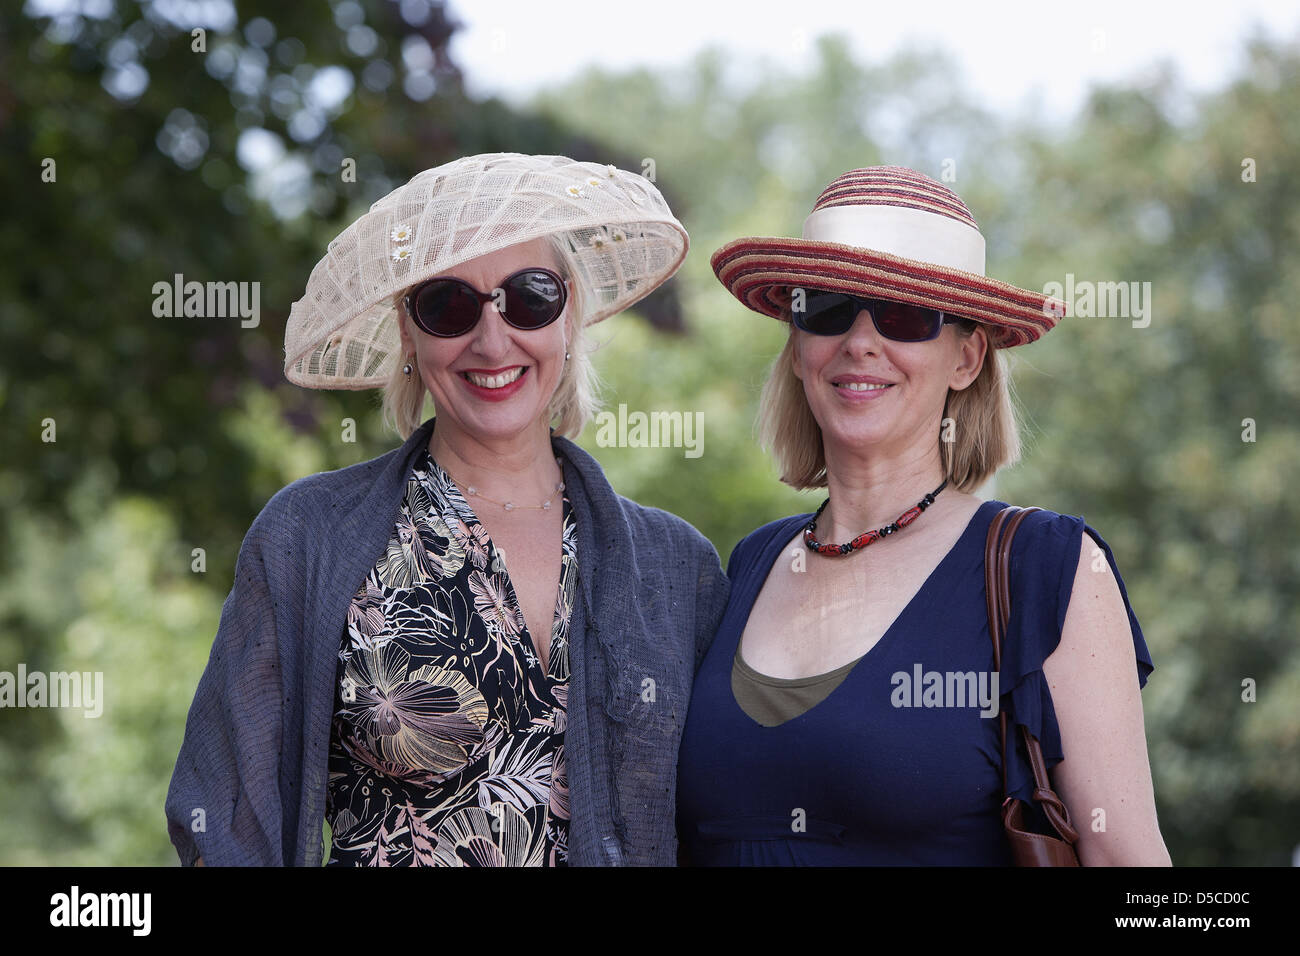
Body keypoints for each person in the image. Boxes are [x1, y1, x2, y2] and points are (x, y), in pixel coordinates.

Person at [166, 152, 730, 866]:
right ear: (408, 332)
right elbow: (223, 814)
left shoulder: (677, 565)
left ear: (569, 319)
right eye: (448, 305)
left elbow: (725, 815)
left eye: (529, 297)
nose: (492, 341)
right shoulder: (306, 536)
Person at [677, 165, 1170, 865]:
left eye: (906, 315)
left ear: (967, 357)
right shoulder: (750, 563)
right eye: (827, 306)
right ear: (796, 345)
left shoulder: (1048, 568)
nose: (861, 342)